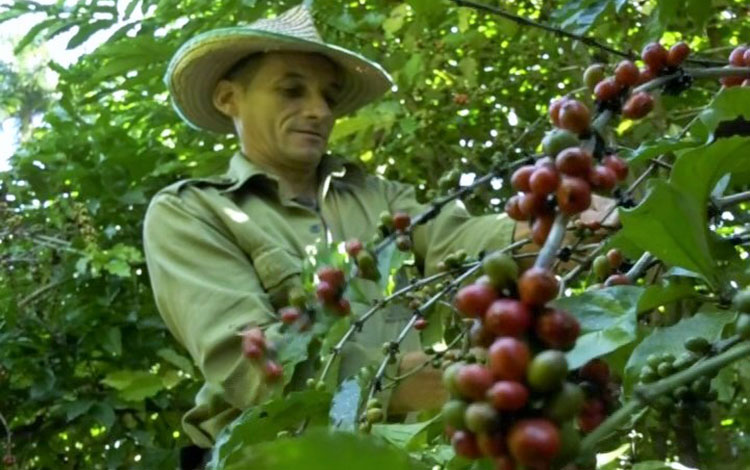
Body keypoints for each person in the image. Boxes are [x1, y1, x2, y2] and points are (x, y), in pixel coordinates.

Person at [143, 3, 613, 468]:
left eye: (328, 97)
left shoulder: (383, 199)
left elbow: (464, 242)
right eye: (291, 90)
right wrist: (393, 379)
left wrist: (553, 221)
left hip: (403, 452)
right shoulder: (193, 211)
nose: (317, 111)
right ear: (229, 99)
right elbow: (246, 365)